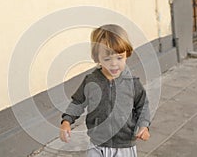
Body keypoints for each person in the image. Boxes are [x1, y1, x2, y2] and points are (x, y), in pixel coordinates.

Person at [59, 24, 151, 157]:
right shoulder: (91, 81)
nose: (114, 63)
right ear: (97, 58)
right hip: (97, 144)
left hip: (124, 146)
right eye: (107, 59)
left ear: (127, 54)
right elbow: (78, 102)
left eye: (119, 57)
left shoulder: (132, 83)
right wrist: (66, 121)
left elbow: (143, 106)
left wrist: (144, 126)